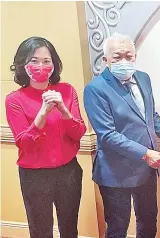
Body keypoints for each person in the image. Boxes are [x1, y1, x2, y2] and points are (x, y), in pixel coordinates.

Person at [83, 33, 160, 238]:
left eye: (129, 56)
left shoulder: (143, 78)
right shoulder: (95, 89)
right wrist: (146, 153)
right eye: (117, 57)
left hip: (146, 169)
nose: (124, 61)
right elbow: (107, 135)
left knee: (148, 221)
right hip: (115, 172)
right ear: (106, 60)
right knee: (118, 228)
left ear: (135, 56)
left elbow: (150, 113)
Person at [5, 37, 86, 238]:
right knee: (41, 232)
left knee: (69, 229)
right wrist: (42, 113)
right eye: (34, 60)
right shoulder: (14, 99)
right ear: (23, 64)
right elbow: (24, 143)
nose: (40, 65)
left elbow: (78, 133)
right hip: (35, 176)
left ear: (54, 64)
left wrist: (64, 111)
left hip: (68, 172)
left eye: (46, 60)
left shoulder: (67, 91)